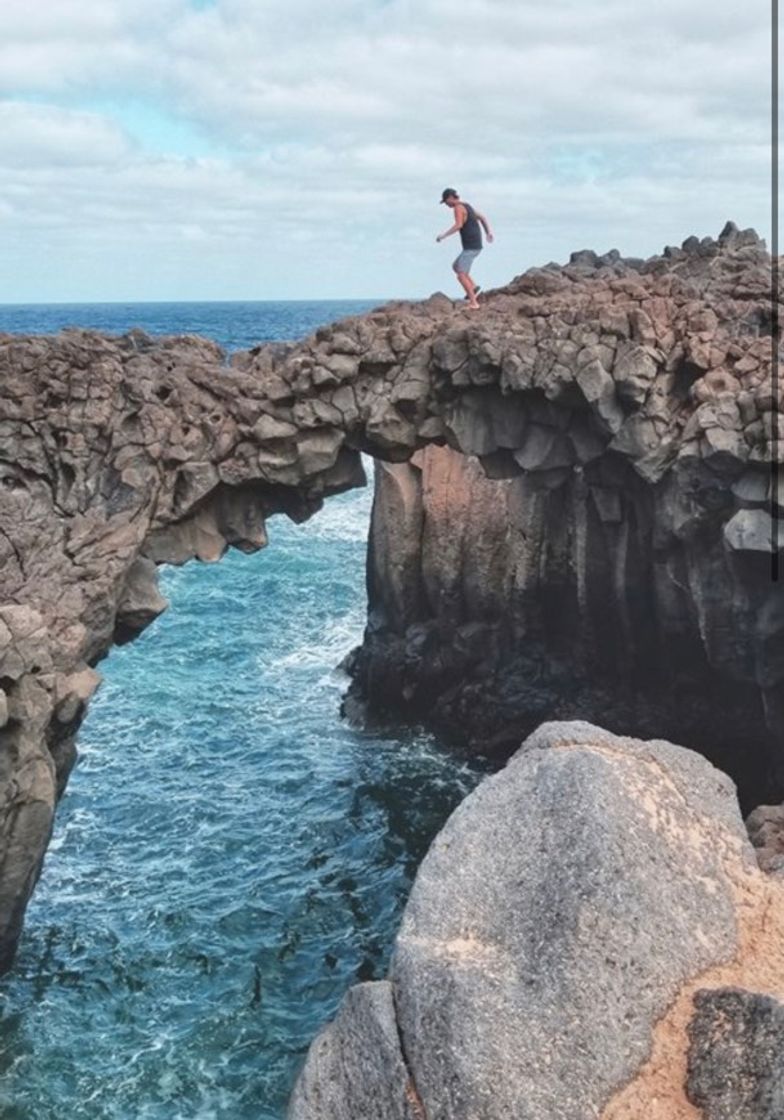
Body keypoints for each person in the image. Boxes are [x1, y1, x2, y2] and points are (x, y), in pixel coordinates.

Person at [436, 188, 494, 309]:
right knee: (456, 266)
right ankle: (473, 287)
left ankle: (474, 303)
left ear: (451, 197)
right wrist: (488, 232)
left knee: (461, 274)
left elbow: (459, 225)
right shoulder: (467, 206)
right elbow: (483, 217)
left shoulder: (458, 208)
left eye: (446, 202)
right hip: (474, 245)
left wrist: (443, 236)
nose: (446, 205)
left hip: (471, 247)